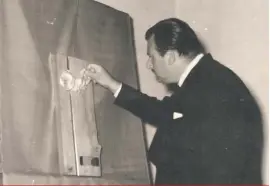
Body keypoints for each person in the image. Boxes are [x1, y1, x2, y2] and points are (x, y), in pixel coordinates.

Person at [84, 18, 263, 184]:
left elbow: (216, 170)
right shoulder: (205, 80)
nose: (149, 65)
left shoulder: (209, 86)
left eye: (151, 56)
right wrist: (111, 83)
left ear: (170, 57)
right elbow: (164, 112)